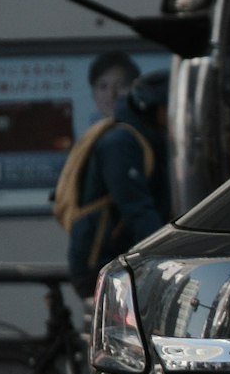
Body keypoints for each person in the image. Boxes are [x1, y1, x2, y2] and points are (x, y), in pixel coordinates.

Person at [54, 51, 164, 281]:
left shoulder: (142, 137)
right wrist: (170, 251)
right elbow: (137, 208)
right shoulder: (120, 142)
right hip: (107, 266)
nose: (112, 95)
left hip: (118, 263)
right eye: (103, 87)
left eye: (120, 85)